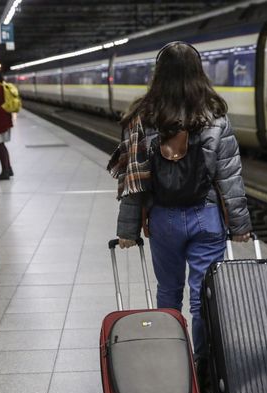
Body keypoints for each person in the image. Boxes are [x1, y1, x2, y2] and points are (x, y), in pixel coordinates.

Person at [108, 41, 252, 362]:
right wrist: (240, 227)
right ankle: (202, 364)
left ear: (158, 75)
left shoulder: (143, 118)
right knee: (204, 297)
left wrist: (128, 230)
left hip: (164, 220)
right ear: (199, 73)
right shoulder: (216, 117)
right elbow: (229, 179)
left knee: (169, 293)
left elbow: (134, 182)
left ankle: (174, 367)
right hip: (207, 217)